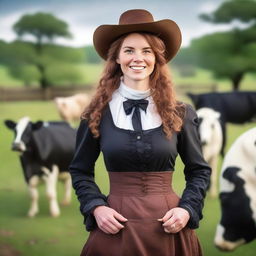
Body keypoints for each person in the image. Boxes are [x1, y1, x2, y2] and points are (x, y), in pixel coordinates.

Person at [69, 9, 211, 256]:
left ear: (157, 58)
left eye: (147, 51)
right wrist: (96, 208)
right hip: (116, 229)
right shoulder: (95, 114)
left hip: (170, 229)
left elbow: (199, 171)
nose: (138, 58)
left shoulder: (181, 113)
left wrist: (186, 209)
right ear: (116, 58)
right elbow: (80, 170)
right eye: (129, 50)